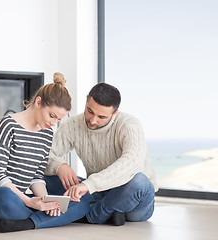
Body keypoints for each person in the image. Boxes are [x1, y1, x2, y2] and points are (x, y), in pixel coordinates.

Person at [0, 72, 93, 233]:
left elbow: (36, 176)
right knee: (4, 195)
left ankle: (29, 222)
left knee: (84, 200)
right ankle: (47, 219)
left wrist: (46, 201)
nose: (53, 123)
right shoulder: (7, 125)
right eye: (52, 116)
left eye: (58, 120)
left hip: (20, 200)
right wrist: (30, 202)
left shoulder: (47, 134)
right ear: (38, 102)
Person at [44, 82, 159, 226]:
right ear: (86, 100)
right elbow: (44, 154)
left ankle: (91, 216)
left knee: (140, 181)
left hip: (132, 199)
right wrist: (59, 165)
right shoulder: (73, 124)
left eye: (101, 117)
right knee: (44, 176)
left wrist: (88, 185)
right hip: (99, 192)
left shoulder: (129, 125)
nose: (93, 120)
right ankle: (111, 211)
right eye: (90, 111)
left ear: (115, 113)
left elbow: (132, 162)